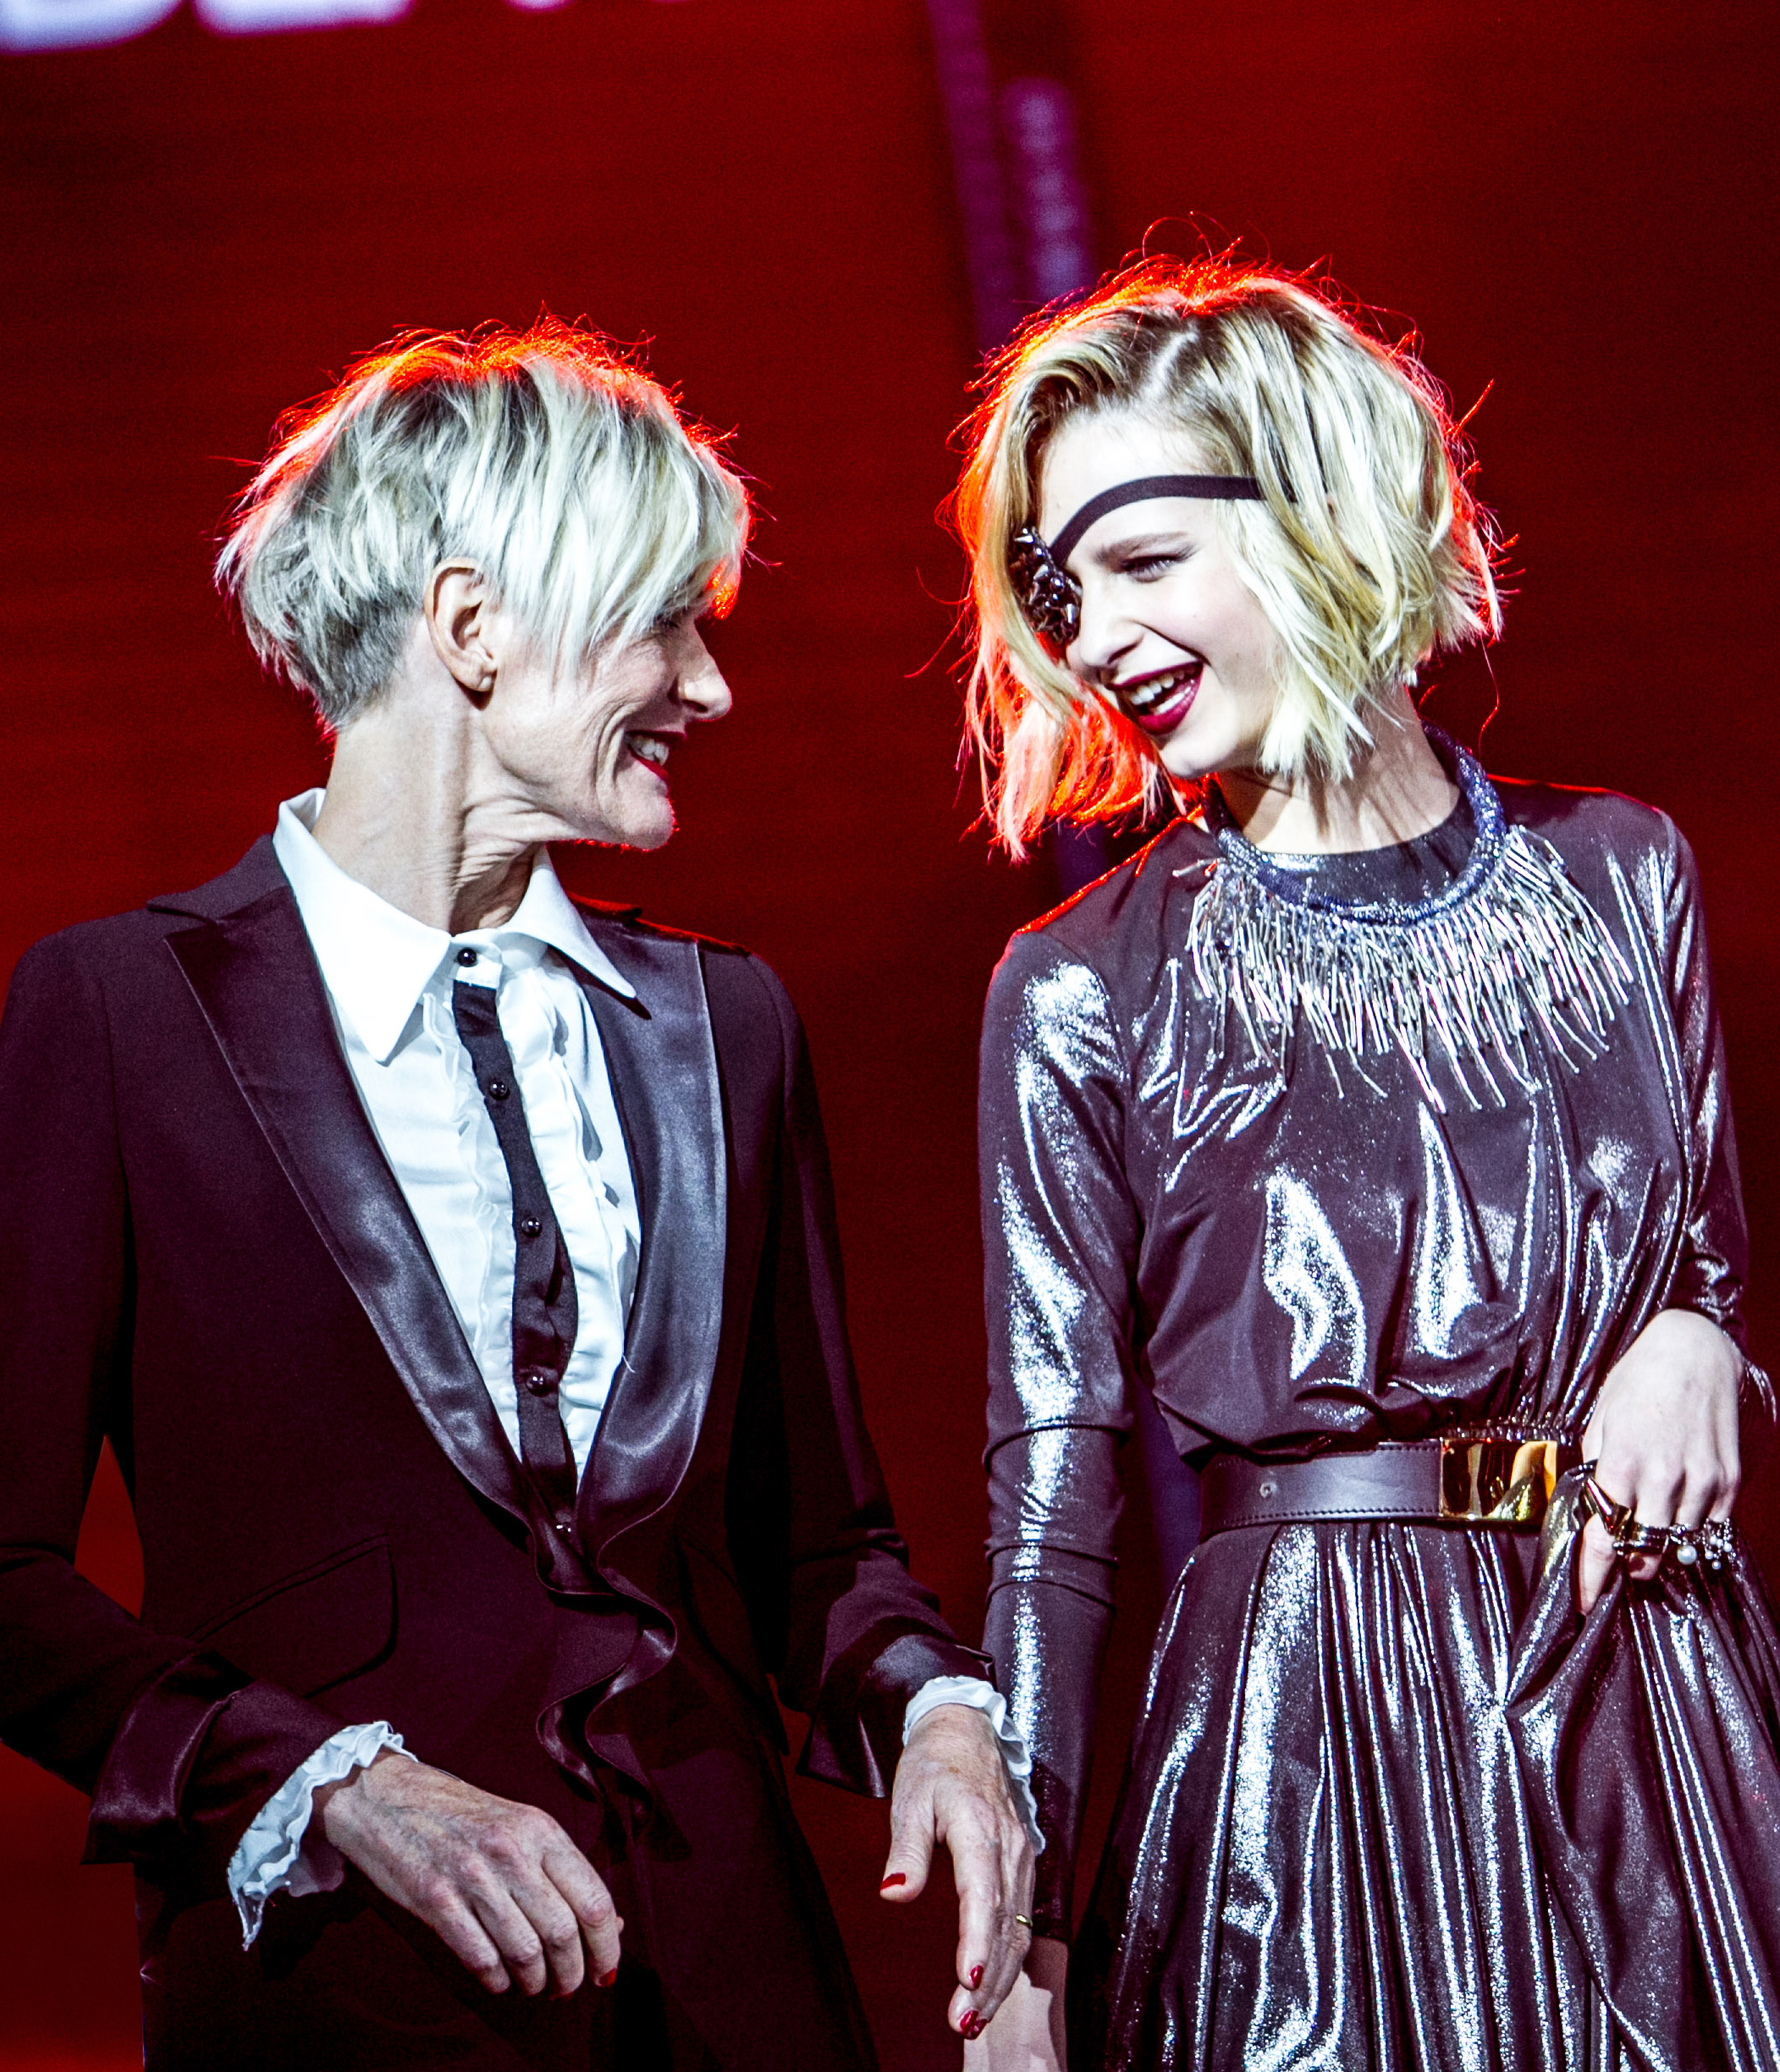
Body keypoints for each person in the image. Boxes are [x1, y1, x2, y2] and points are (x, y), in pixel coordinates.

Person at [0, 322, 1037, 2069]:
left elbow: (821, 1547)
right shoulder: (117, 1014)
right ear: (471, 627)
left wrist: (933, 1705)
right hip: (351, 1999)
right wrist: (329, 1784)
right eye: (664, 624)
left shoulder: (728, 1025)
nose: (709, 689)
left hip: (737, 1995)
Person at [953, 258, 1780, 2070]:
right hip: (1312, 1755)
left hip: (1643, 1698)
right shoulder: (1083, 984)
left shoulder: (1621, 871)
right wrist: (1019, 1943)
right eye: (1061, 592)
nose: (1094, 638)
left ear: (1317, 510)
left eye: (1142, 561)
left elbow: (1707, 1267)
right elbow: (1052, 1489)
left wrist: (1699, 1337)